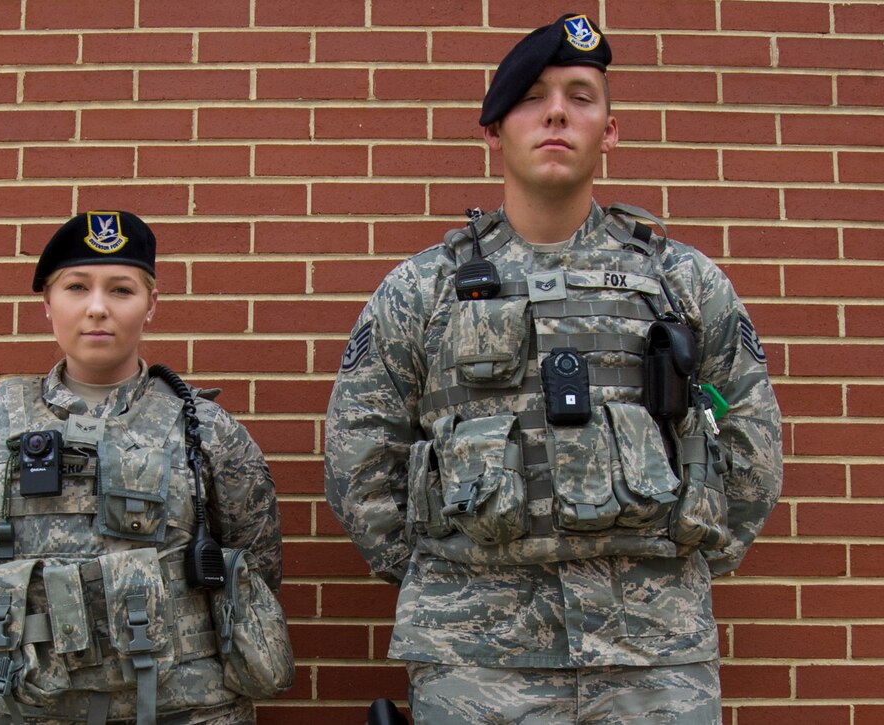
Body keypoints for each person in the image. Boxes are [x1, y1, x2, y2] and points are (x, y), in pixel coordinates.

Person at [325, 14, 781, 724]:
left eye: (580, 95)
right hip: (477, 659)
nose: (558, 112)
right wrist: (454, 577)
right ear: (494, 133)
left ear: (611, 129)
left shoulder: (681, 282)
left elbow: (751, 448)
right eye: (532, 97)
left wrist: (668, 573)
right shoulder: (424, 291)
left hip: (654, 657)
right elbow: (361, 463)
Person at [0, 210, 285, 724]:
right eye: (76, 287)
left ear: (151, 304)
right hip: (26, 705)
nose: (97, 309)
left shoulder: (204, 430)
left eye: (121, 290)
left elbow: (255, 566)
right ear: (47, 303)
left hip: (184, 708)